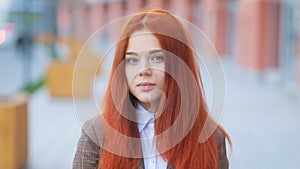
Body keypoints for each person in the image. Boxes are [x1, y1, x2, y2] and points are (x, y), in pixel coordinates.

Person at [73, 9, 231, 169]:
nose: (144, 70)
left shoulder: (211, 138)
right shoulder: (96, 134)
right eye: (133, 60)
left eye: (157, 58)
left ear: (179, 65)